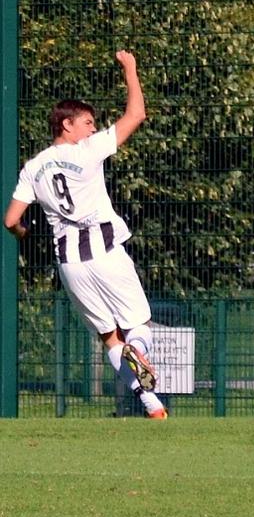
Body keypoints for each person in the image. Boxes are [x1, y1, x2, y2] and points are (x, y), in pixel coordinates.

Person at [4, 50, 166, 419]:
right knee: (138, 326)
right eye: (88, 122)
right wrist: (130, 68)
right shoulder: (88, 150)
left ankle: (151, 405)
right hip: (106, 250)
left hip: (71, 264)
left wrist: (21, 232)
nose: (93, 129)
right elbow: (136, 114)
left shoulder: (33, 167)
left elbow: (10, 218)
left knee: (108, 337)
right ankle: (138, 350)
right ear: (67, 126)